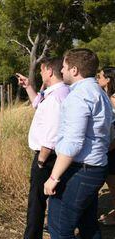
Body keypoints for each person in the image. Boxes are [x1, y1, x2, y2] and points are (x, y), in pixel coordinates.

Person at [44, 48, 113, 239]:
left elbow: (73, 142)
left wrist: (54, 177)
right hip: (95, 167)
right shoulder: (98, 93)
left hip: (81, 169)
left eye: (65, 67)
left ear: (74, 70)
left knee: (59, 227)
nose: (62, 71)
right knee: (87, 224)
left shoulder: (79, 96)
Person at [16, 57, 70, 239]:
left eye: (41, 70)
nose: (40, 73)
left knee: (36, 203)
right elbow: (39, 105)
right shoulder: (59, 92)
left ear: (49, 71)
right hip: (55, 155)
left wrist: (41, 160)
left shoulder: (55, 97)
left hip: (47, 157)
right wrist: (29, 87)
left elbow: (51, 134)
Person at [96, 67, 115, 225]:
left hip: (112, 148)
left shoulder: (114, 98)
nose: (97, 78)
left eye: (100, 76)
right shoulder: (105, 96)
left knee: (113, 185)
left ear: (108, 79)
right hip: (106, 146)